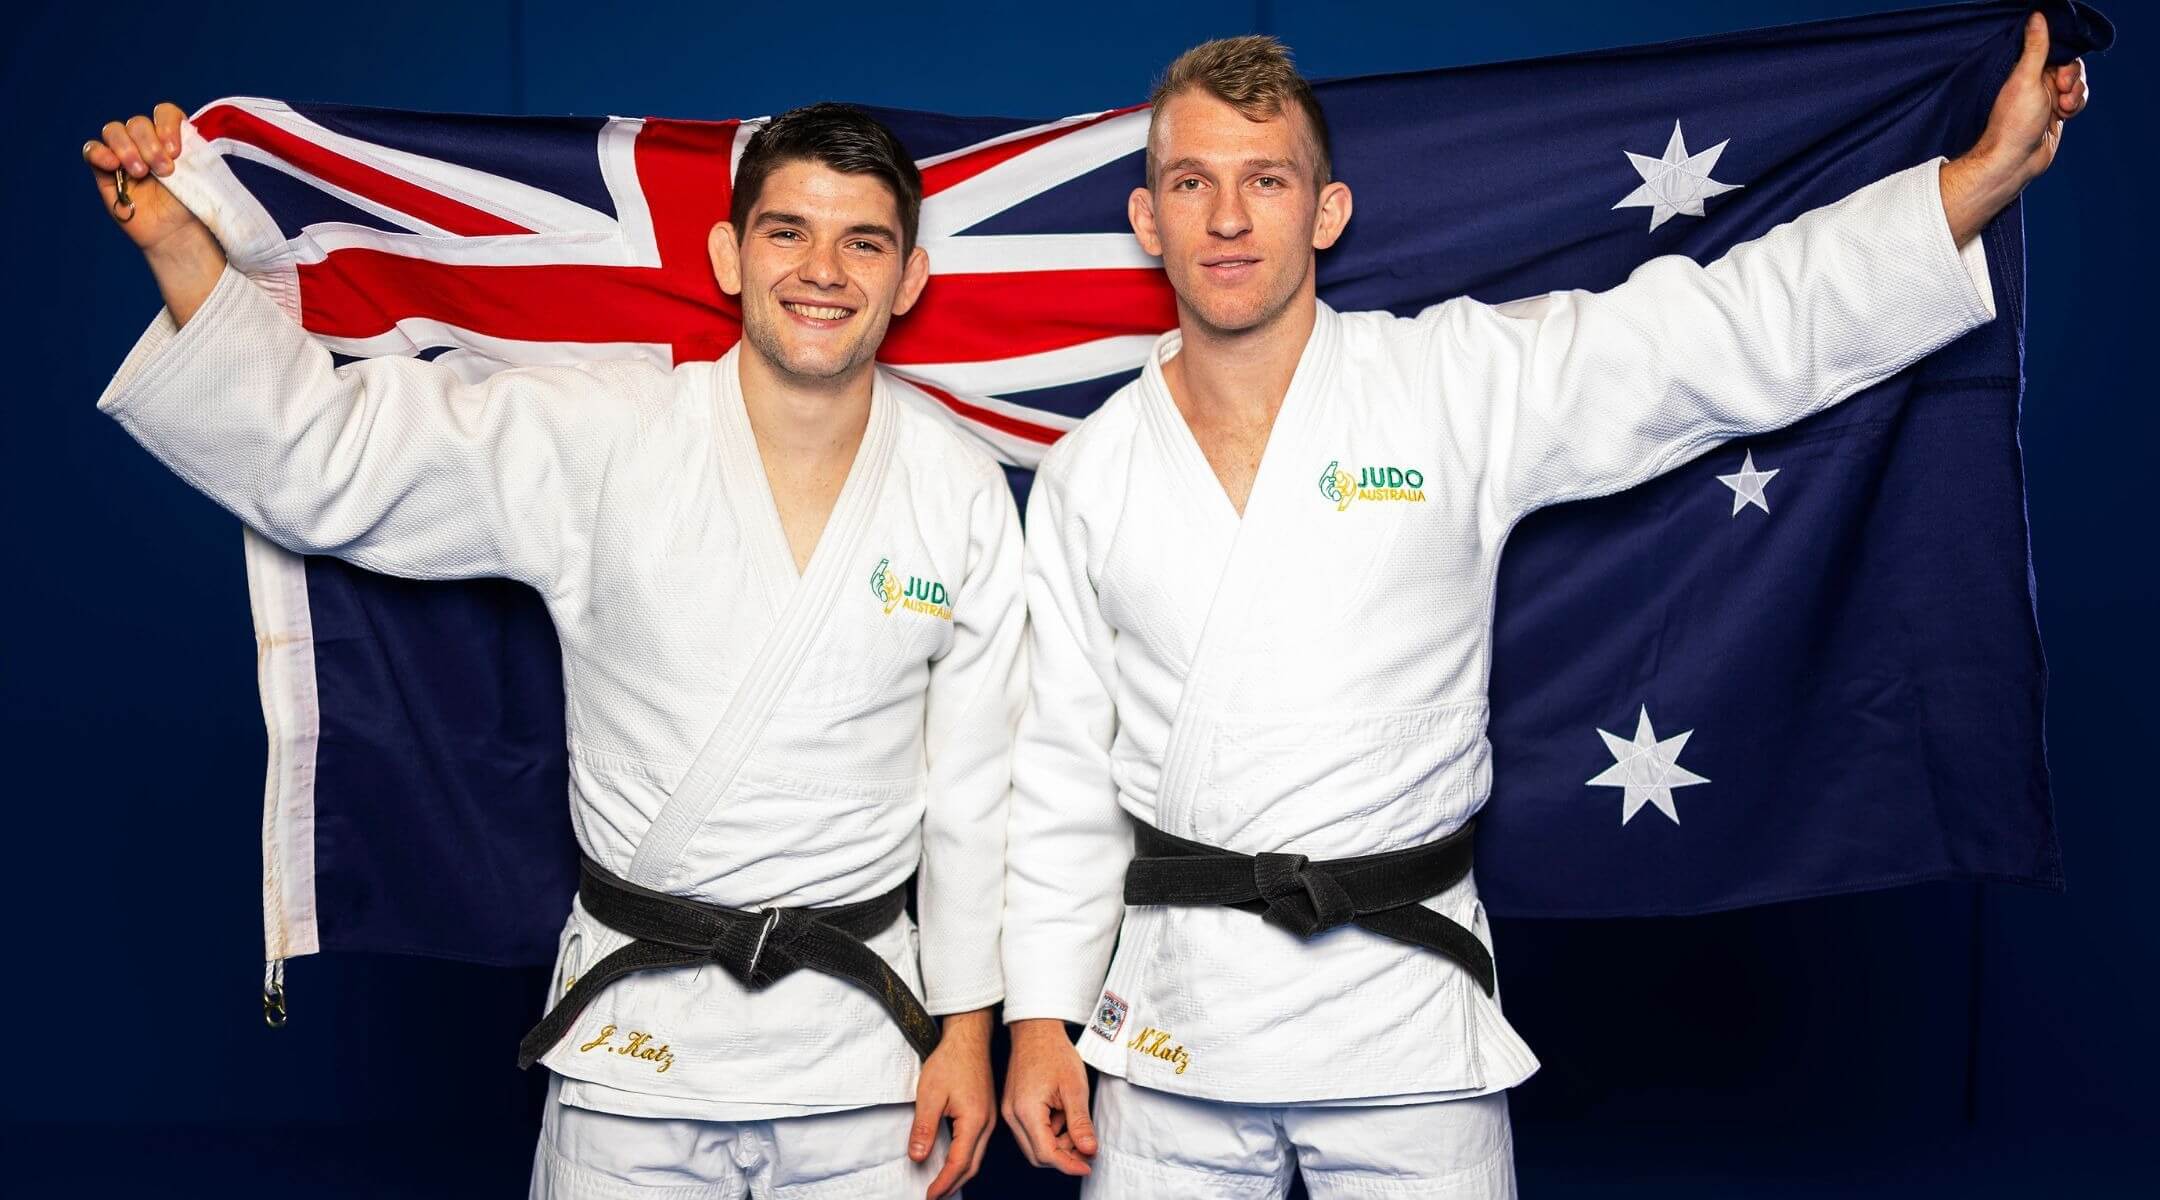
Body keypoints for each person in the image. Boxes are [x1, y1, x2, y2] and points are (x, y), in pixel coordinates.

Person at [999, 17, 2088, 1199]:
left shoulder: (1452, 383)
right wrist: (1041, 1018)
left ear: (1328, 212)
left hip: (1404, 1010)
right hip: (1173, 1025)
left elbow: (1708, 333)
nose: (1226, 218)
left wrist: (1965, 188)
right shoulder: (1089, 473)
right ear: (1146, 218)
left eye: (1267, 180)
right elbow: (1060, 767)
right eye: (1190, 182)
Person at [85, 101, 1023, 1200]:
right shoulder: (604, 434)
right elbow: (330, 456)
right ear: (728, 253)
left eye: (862, 241)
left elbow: (975, 795)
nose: (823, 270)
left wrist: (968, 1034)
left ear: (908, 277)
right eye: (786, 232)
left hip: (863, 1058)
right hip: (635, 1052)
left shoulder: (956, 489)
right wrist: (183, 254)